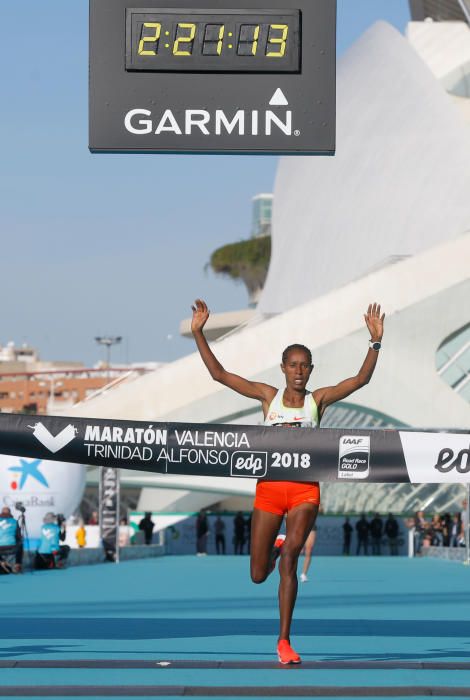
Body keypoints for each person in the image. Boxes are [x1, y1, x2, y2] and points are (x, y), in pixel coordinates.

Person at [191, 298, 385, 664]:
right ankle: (279, 545)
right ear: (283, 368)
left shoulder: (318, 400)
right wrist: (199, 333)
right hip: (268, 493)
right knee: (257, 575)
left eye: (304, 366)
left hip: (304, 493)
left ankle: (284, 641)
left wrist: (374, 342)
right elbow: (220, 375)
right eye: (292, 365)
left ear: (311, 370)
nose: (298, 371)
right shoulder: (269, 397)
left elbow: (360, 380)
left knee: (292, 559)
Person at [0, 507, 21, 574]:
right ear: (10, 513)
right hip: (12, 546)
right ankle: (17, 564)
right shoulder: (14, 521)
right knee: (21, 544)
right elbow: (18, 536)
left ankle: (2, 561)